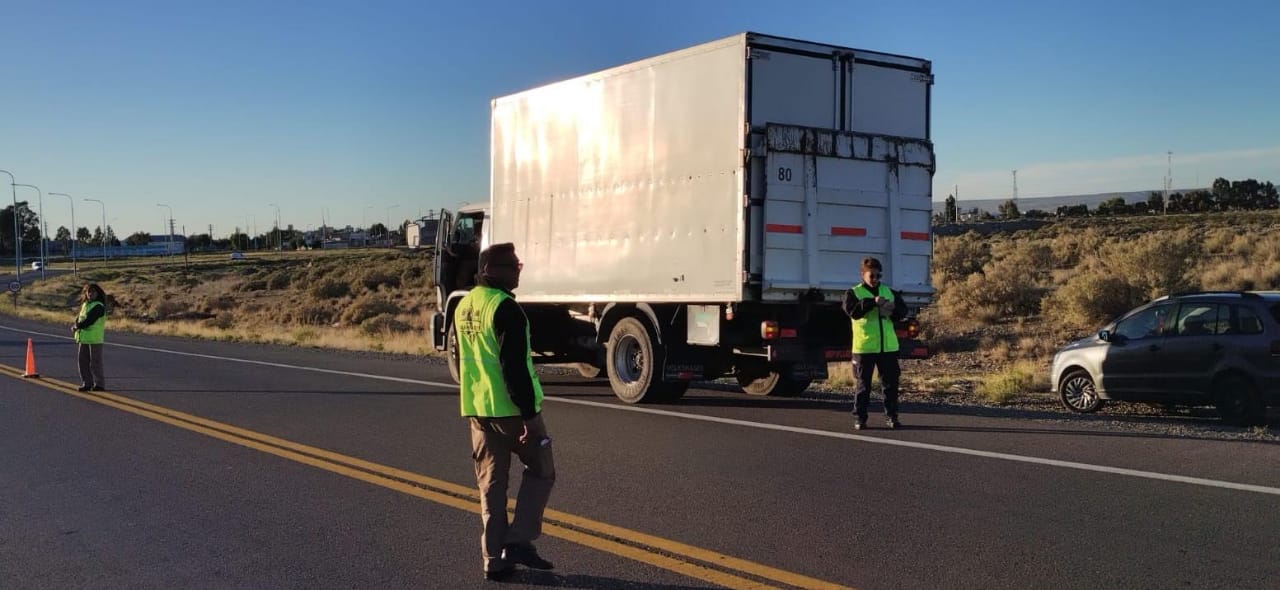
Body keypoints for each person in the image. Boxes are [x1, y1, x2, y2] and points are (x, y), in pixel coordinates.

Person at [455, 242, 556, 581]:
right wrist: (529, 415)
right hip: (510, 411)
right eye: (513, 267)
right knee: (542, 469)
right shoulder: (505, 308)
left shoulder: (465, 305)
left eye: (518, 265)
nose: (518, 272)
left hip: (478, 409)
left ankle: (493, 560)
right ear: (490, 271)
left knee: (492, 485)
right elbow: (514, 368)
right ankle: (518, 541)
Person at [842, 257, 908, 430]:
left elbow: (902, 312)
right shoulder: (853, 293)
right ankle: (860, 418)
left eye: (878, 276)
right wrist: (872, 302)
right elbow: (852, 312)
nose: (875, 279)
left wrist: (891, 308)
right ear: (863, 274)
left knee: (890, 385)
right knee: (864, 385)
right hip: (865, 347)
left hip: (888, 347)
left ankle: (892, 417)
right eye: (872, 276)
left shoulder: (889, 292)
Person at [72, 283, 108, 392]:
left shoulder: (98, 306)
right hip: (83, 338)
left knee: (95, 363)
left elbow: (89, 320)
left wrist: (77, 326)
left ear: (98, 293)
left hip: (94, 339)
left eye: (93, 292)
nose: (91, 294)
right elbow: (80, 318)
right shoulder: (85, 305)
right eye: (89, 292)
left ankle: (99, 384)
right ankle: (87, 383)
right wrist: (76, 324)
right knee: (82, 362)